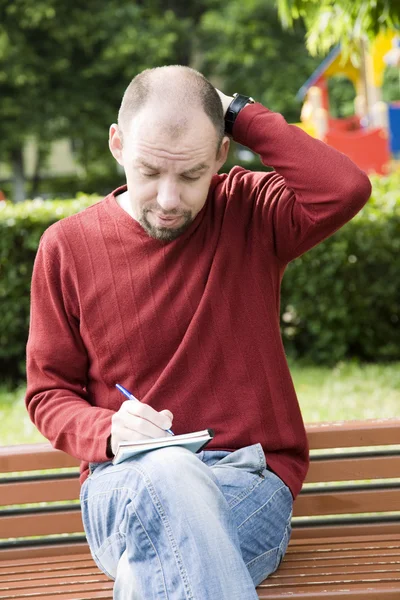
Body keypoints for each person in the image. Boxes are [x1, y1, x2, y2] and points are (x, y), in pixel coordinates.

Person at [25, 65, 371, 599]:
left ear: (220, 155)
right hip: (124, 483)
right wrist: (110, 431)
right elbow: (49, 395)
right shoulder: (66, 248)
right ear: (117, 144)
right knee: (167, 475)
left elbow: (343, 187)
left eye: (190, 177)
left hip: (246, 483)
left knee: (153, 570)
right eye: (150, 172)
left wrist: (237, 111)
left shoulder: (251, 213)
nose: (168, 200)